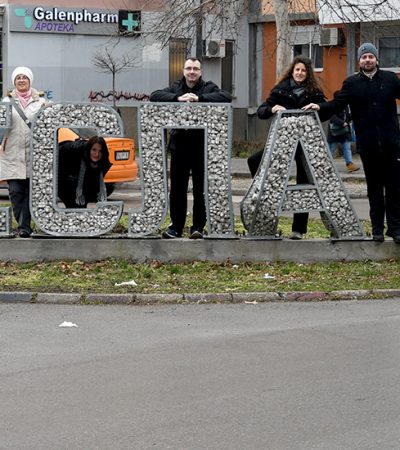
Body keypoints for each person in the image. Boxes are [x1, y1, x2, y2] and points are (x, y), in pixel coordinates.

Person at [304, 43, 400, 243]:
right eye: (364, 57)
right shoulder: (352, 83)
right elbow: (336, 104)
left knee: (394, 188)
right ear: (359, 61)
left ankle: (395, 228)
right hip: (368, 144)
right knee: (374, 188)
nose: (367, 60)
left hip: (392, 143)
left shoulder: (390, 79)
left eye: (370, 57)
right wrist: (319, 107)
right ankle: (377, 230)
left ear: (376, 59)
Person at [149, 57, 232, 239]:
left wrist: (200, 98)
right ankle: (176, 227)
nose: (192, 72)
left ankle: (198, 227)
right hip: (179, 147)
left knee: (200, 189)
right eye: (189, 68)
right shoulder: (176, 87)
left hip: (201, 148)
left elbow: (225, 96)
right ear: (184, 71)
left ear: (200, 72)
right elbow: (154, 95)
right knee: (177, 189)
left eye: (195, 68)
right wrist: (177, 98)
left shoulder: (208, 87)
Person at [248, 55, 326, 240]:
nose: (300, 73)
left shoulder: (314, 91)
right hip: (282, 144)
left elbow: (325, 110)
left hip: (305, 145)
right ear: (292, 71)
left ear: (308, 74)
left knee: (303, 181)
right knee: (254, 161)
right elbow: (262, 110)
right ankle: (262, 195)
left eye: (303, 70)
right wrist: (272, 109)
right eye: (297, 69)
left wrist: (319, 107)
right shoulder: (281, 90)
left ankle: (298, 229)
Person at [0, 67, 46, 237]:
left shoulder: (41, 102)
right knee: (15, 191)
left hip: (34, 155)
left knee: (29, 192)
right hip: (11, 154)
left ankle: (24, 227)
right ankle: (23, 223)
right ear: (14, 82)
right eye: (18, 78)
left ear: (29, 81)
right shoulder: (5, 101)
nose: (21, 80)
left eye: (24, 77)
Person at [57, 136, 111, 208]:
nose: (97, 154)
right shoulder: (77, 149)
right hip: (65, 179)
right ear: (89, 149)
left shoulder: (103, 162)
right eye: (94, 150)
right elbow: (61, 149)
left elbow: (93, 184)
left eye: (100, 151)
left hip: (83, 188)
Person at [327, 99, 359, 173]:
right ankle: (327, 165)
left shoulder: (346, 106)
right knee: (331, 149)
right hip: (334, 131)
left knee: (347, 148)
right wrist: (342, 122)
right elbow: (332, 117)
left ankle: (350, 164)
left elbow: (347, 117)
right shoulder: (333, 105)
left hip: (345, 131)